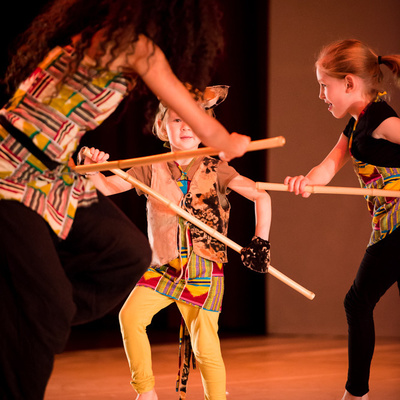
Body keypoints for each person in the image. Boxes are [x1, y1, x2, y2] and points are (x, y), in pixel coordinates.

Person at [0, 1, 251, 399]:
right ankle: (36, 316)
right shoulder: (131, 45)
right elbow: (192, 110)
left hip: (51, 170)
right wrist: (226, 141)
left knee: (127, 253)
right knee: (49, 312)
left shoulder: (107, 38)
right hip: (10, 168)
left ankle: (37, 311)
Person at [82, 85, 272, 400]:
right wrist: (92, 166)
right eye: (176, 120)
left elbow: (260, 195)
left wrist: (260, 240)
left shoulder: (216, 168)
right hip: (165, 268)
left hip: (203, 270)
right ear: (161, 127)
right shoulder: (149, 166)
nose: (185, 127)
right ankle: (146, 392)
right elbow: (105, 186)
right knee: (129, 317)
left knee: (205, 345)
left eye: (192, 120)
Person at [284, 39, 400, 400]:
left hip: (398, 228)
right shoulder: (357, 125)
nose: (321, 95)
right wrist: (307, 182)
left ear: (349, 83)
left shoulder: (383, 119)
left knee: (357, 301)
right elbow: (330, 164)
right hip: (388, 227)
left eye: (324, 85)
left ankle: (356, 394)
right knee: (361, 302)